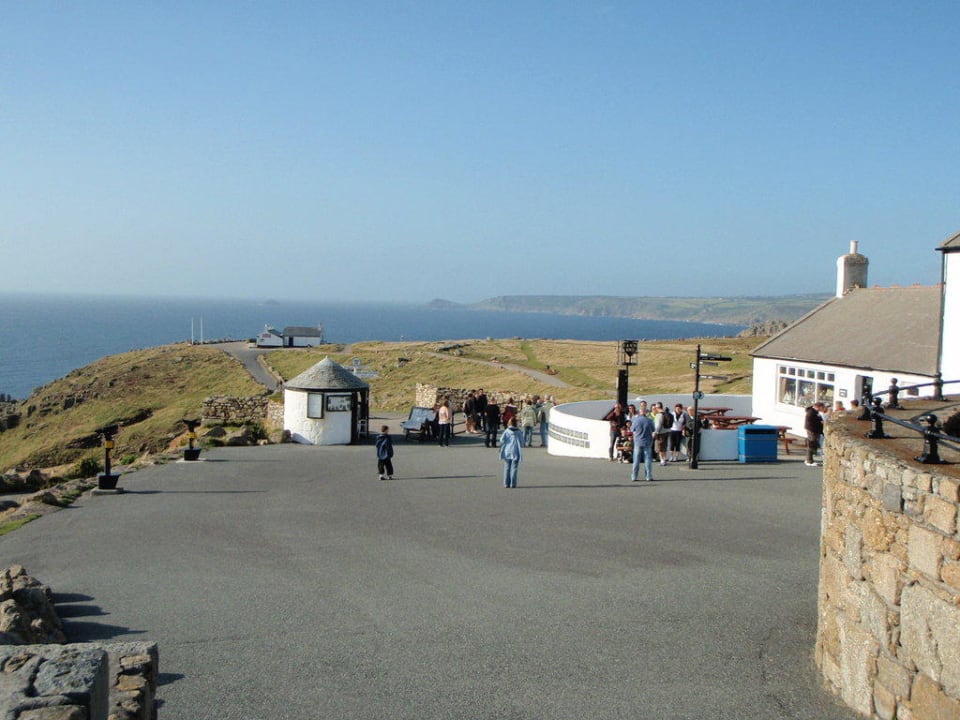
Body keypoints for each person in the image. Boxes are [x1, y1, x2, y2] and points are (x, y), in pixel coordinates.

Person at [630, 400, 655, 481]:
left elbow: (632, 429)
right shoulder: (649, 420)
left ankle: (634, 476)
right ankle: (648, 476)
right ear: (646, 413)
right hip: (647, 441)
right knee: (647, 460)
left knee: (636, 460)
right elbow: (653, 430)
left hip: (638, 441)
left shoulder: (635, 420)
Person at [499, 417, 524, 488]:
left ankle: (506, 483)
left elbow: (502, 440)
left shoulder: (507, 431)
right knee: (514, 467)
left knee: (507, 467)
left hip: (507, 450)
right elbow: (522, 442)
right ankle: (513, 483)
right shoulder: (519, 432)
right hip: (516, 451)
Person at [804, 402, 825, 467]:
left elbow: (820, 420)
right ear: (818, 407)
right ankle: (809, 460)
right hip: (812, 431)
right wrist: (820, 427)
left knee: (813, 444)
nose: (823, 408)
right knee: (811, 444)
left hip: (815, 430)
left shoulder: (816, 412)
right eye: (822, 407)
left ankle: (809, 459)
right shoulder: (811, 413)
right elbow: (812, 424)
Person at [653, 402, 673, 466]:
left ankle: (662, 461)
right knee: (664, 447)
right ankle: (664, 460)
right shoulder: (666, 413)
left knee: (660, 447)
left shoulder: (659, 414)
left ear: (657, 407)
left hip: (660, 433)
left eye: (655, 407)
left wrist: (655, 432)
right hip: (667, 432)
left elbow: (658, 425)